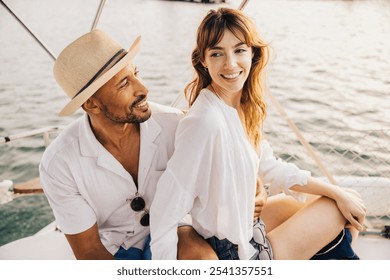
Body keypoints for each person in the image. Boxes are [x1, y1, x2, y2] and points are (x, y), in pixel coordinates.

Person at [150, 8, 366, 260]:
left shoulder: (237, 107)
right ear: (203, 60)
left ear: (253, 54)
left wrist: (336, 190)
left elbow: (270, 166)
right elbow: (166, 210)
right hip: (236, 253)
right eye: (217, 53)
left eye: (239, 50)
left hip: (247, 229)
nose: (230, 64)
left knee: (347, 201)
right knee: (337, 211)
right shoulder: (205, 122)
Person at [39, 29, 223, 260]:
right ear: (92, 105)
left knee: (201, 259)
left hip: (175, 228)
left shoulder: (176, 125)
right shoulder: (59, 164)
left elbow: (223, 158)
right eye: (125, 83)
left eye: (136, 73)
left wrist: (253, 182)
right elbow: (89, 250)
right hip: (117, 248)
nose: (143, 89)